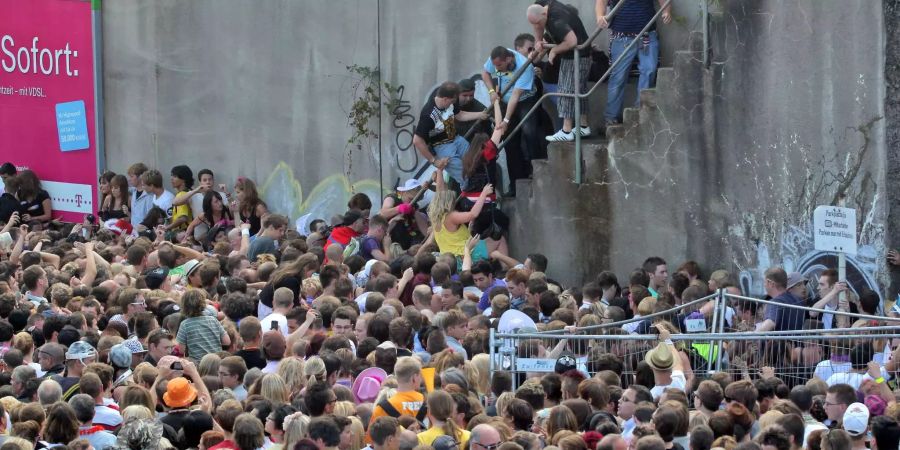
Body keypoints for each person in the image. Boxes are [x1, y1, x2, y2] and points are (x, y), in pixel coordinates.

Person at [596, 0, 672, 129]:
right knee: (618, 77)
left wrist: (666, 11)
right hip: (621, 37)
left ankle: (639, 113)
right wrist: (600, 16)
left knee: (649, 71)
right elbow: (601, 1)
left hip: (647, 35)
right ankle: (611, 117)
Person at [526, 1, 591, 142]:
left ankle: (567, 130)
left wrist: (554, 50)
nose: (537, 26)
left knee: (566, 90)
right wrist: (538, 41)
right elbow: (537, 24)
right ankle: (583, 126)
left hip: (577, 56)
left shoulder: (557, 21)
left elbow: (572, 41)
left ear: (544, 14)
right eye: (534, 24)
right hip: (575, 55)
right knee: (578, 89)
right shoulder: (544, 6)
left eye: (538, 23)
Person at [482, 46, 539, 189]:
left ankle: (536, 170)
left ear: (508, 59)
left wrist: (506, 120)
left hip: (525, 100)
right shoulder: (495, 59)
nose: (497, 69)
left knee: (529, 132)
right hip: (505, 100)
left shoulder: (525, 66)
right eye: (495, 66)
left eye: (500, 66)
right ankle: (515, 183)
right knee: (509, 141)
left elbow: (515, 95)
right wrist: (491, 91)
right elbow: (485, 73)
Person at [413, 81, 489, 186]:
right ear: (445, 99)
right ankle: (472, 197)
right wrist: (434, 161)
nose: (454, 103)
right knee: (464, 176)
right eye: (452, 101)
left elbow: (459, 115)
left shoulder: (451, 102)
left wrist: (479, 115)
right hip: (442, 147)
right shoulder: (428, 115)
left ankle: (482, 191)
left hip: (456, 139)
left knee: (476, 162)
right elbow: (417, 140)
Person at [459, 101, 511, 240]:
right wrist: (495, 103)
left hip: (467, 201)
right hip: (484, 202)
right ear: (485, 143)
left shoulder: (468, 157)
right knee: (502, 225)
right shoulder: (487, 151)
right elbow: (499, 127)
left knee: (477, 234)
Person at [428, 166, 493, 265]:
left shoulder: (435, 217)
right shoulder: (451, 216)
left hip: (449, 259)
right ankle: (506, 271)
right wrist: (483, 194)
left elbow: (439, 192)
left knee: (493, 250)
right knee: (499, 240)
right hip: (462, 256)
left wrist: (440, 170)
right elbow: (473, 214)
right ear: (448, 202)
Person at [379, 179, 429, 250]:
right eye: (410, 198)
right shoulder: (392, 198)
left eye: (415, 199)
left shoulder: (414, 206)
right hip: (391, 243)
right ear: (404, 192)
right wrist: (399, 209)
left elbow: (424, 230)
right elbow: (383, 213)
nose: (412, 201)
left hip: (407, 244)